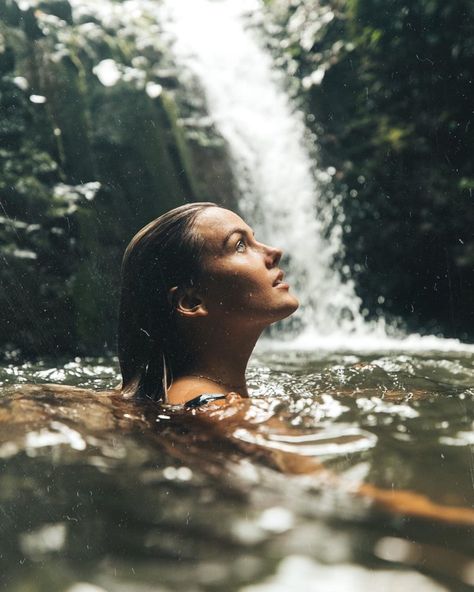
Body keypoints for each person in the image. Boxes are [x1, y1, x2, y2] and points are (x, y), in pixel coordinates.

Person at [118, 202, 298, 407]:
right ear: (192, 301)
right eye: (240, 245)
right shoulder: (214, 409)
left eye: (253, 239)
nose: (275, 252)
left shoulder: (188, 398)